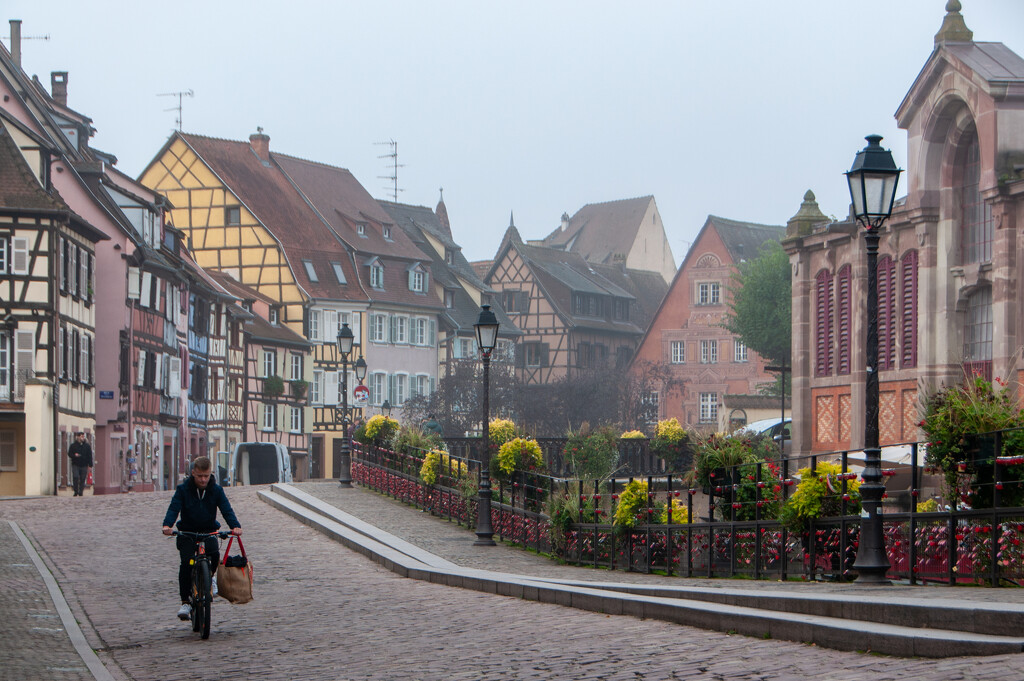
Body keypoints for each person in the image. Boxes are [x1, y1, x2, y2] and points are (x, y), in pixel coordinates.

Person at [161, 456, 242, 621]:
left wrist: (235, 526)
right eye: (199, 476)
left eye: (206, 476)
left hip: (208, 530)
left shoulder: (216, 490)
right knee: (186, 564)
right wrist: (167, 525)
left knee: (214, 555)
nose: (203, 480)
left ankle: (209, 578)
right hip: (187, 532)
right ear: (193, 473)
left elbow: (226, 509)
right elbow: (174, 507)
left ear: (210, 473)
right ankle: (185, 602)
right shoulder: (183, 490)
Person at [67, 432, 93, 497]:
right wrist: (74, 455)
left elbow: (90, 456)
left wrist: (90, 465)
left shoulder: (87, 446)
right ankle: (75, 491)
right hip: (75, 464)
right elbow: (69, 454)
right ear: (77, 437)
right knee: (75, 477)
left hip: (84, 464)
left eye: (83, 436)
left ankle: (81, 491)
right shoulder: (73, 445)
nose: (83, 438)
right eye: (81, 436)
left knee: (82, 478)